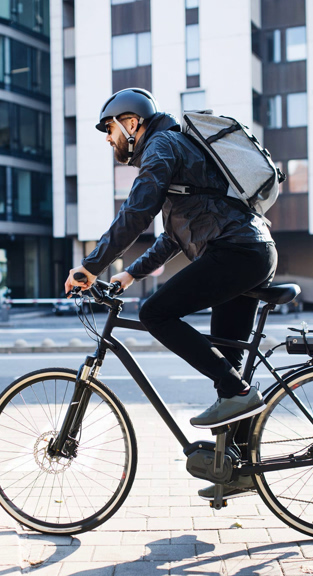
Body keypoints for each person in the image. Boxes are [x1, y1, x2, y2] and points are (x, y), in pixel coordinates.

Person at [63, 88, 278, 498]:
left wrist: (90, 266)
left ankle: (239, 394)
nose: (109, 139)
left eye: (109, 129)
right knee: (227, 366)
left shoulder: (161, 146)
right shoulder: (175, 148)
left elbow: (137, 210)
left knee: (155, 313)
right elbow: (173, 236)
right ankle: (238, 470)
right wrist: (127, 275)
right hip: (249, 251)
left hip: (236, 252)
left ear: (131, 122)